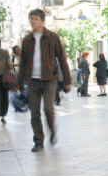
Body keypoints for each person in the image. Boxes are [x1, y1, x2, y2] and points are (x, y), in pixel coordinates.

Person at [18, 9, 72, 152]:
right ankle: (38, 141)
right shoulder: (27, 40)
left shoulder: (52, 37)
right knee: (34, 112)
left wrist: (66, 80)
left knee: (48, 109)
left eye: (35, 19)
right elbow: (22, 63)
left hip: (49, 80)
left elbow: (62, 59)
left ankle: (53, 130)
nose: (33, 22)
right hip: (32, 81)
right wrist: (19, 83)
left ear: (43, 21)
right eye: (31, 19)